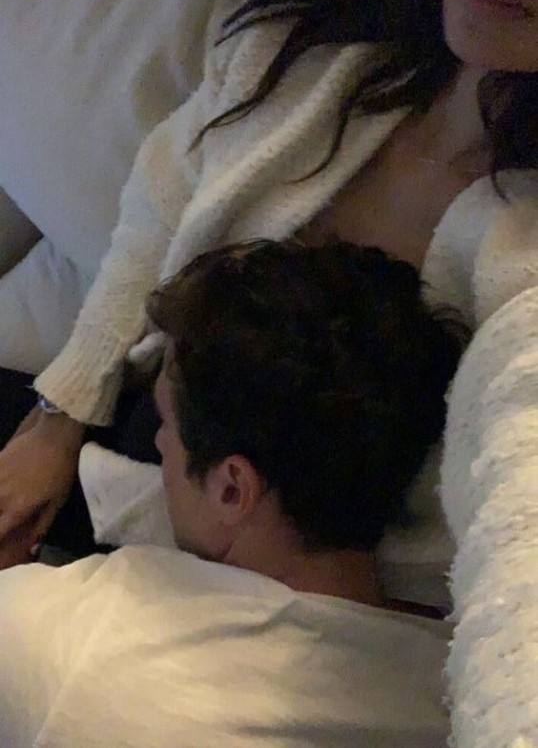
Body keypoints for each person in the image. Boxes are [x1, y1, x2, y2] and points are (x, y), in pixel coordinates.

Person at [0, 0, 536, 612]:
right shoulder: (315, 37)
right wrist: (60, 419)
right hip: (157, 441)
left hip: (310, 609)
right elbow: (159, 210)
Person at [0, 239, 463, 747]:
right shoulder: (453, 682)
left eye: (166, 425)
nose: (159, 443)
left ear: (232, 489)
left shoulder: (68, 641)